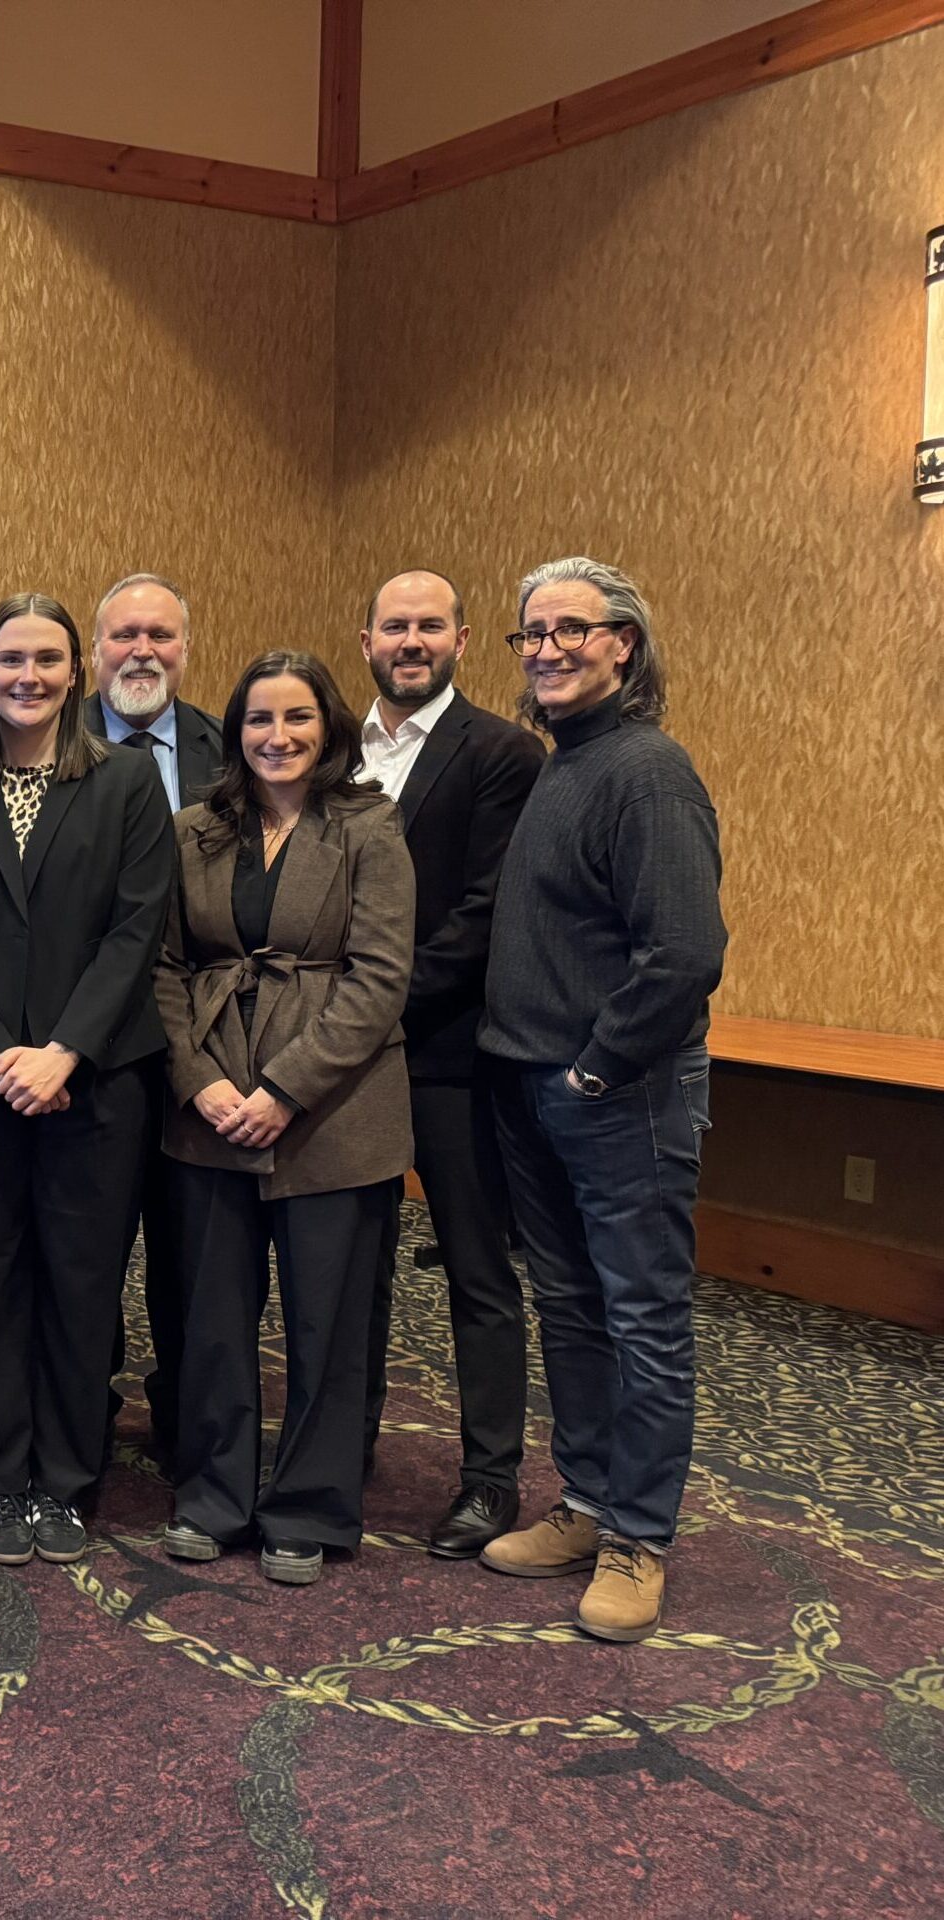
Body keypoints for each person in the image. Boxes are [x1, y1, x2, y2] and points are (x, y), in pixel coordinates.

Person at [477, 557, 724, 1644]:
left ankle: (638, 1537)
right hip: (531, 1088)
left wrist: (591, 1070)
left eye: (569, 630)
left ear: (621, 643)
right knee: (570, 1309)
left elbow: (681, 954)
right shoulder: (560, 763)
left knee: (641, 1319)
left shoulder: (647, 772)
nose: (545, 650)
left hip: (613, 1093)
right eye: (529, 634)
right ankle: (583, 1503)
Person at [0, 594, 174, 1567]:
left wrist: (63, 1050)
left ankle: (64, 1479)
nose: (27, 675)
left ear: (76, 672)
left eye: (47, 658)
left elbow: (134, 929)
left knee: (79, 1281)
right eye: (9, 658)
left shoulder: (128, 785)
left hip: (95, 1086)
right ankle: (1, 1478)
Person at [153, 651, 414, 1588]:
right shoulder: (195, 829)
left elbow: (382, 976)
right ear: (236, 733)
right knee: (213, 1319)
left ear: (328, 726)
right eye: (260, 720)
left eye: (297, 718)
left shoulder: (369, 826)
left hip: (335, 1114)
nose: (278, 737)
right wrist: (201, 1082)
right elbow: (163, 970)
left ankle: (307, 1507)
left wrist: (287, 1088)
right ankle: (215, 1495)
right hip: (210, 1115)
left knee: (328, 1323)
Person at [351, 571, 544, 1558]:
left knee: (474, 1270)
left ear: (464, 640)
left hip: (446, 1057)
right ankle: (347, 1443)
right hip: (346, 1065)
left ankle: (488, 1478)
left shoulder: (504, 753)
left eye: (429, 625)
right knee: (356, 1262)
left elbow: (483, 913)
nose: (410, 639)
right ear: (365, 641)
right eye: (395, 626)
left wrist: (366, 1004)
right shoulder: (333, 748)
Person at [83, 573, 226, 1467]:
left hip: (201, 1040)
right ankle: (83, 1406)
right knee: (88, 1245)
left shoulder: (234, 745)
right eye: (125, 635)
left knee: (193, 1247)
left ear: (185, 646)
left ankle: (186, 1417)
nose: (142, 652)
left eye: (161, 636)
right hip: (88, 1042)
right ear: (96, 650)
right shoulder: (46, 743)